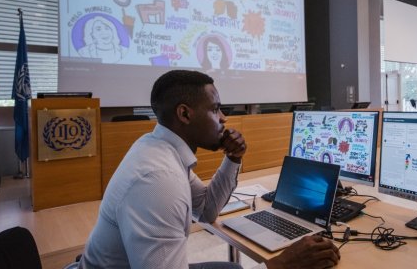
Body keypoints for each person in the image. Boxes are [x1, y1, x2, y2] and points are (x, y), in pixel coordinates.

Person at [79, 70, 340, 269]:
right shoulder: (158, 181)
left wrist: (233, 158)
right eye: (215, 109)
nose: (224, 118)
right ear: (184, 114)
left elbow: (206, 210)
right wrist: (278, 265)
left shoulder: (159, 149)